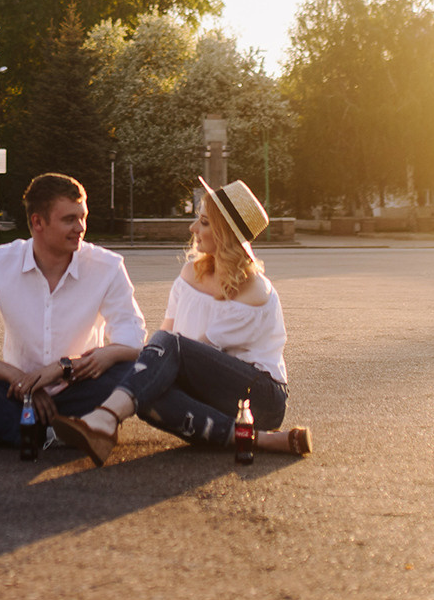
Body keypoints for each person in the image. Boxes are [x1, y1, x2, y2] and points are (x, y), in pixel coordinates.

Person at [53, 177, 312, 465]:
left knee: (156, 368)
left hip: (260, 398)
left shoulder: (255, 291)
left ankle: (105, 418)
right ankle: (261, 440)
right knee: (146, 389)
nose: (192, 229)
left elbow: (185, 350)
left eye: (203, 222)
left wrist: (142, 369)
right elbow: (164, 346)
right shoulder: (190, 274)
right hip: (211, 393)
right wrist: (117, 359)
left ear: (224, 233)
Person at [0, 173, 146, 449]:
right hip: (15, 391)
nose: (80, 227)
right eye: (69, 219)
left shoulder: (107, 267)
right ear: (38, 222)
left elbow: (133, 342)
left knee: (142, 369)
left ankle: (4, 425)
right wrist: (19, 379)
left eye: (82, 217)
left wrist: (64, 368)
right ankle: (56, 430)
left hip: (79, 387)